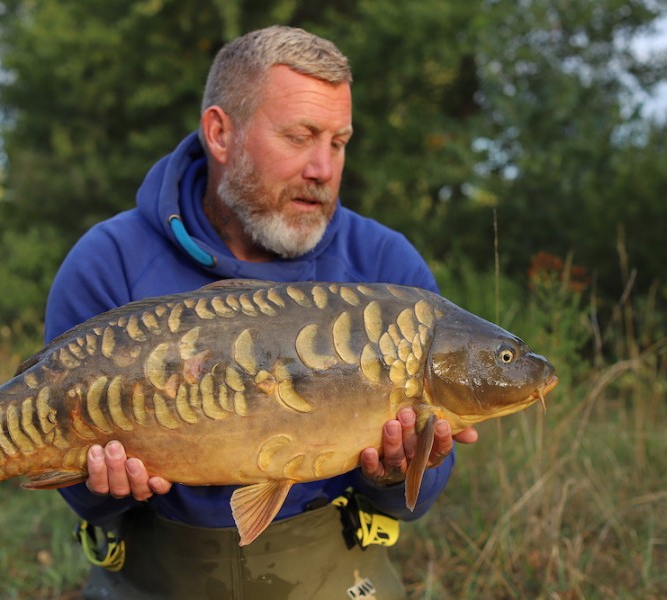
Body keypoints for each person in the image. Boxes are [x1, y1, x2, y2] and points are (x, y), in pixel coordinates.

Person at [44, 25, 478, 600]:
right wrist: (104, 487)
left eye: (338, 142)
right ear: (221, 134)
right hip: (156, 568)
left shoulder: (385, 268)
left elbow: (415, 502)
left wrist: (396, 472)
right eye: (300, 137)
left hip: (331, 567)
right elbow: (76, 485)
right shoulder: (110, 262)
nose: (323, 169)